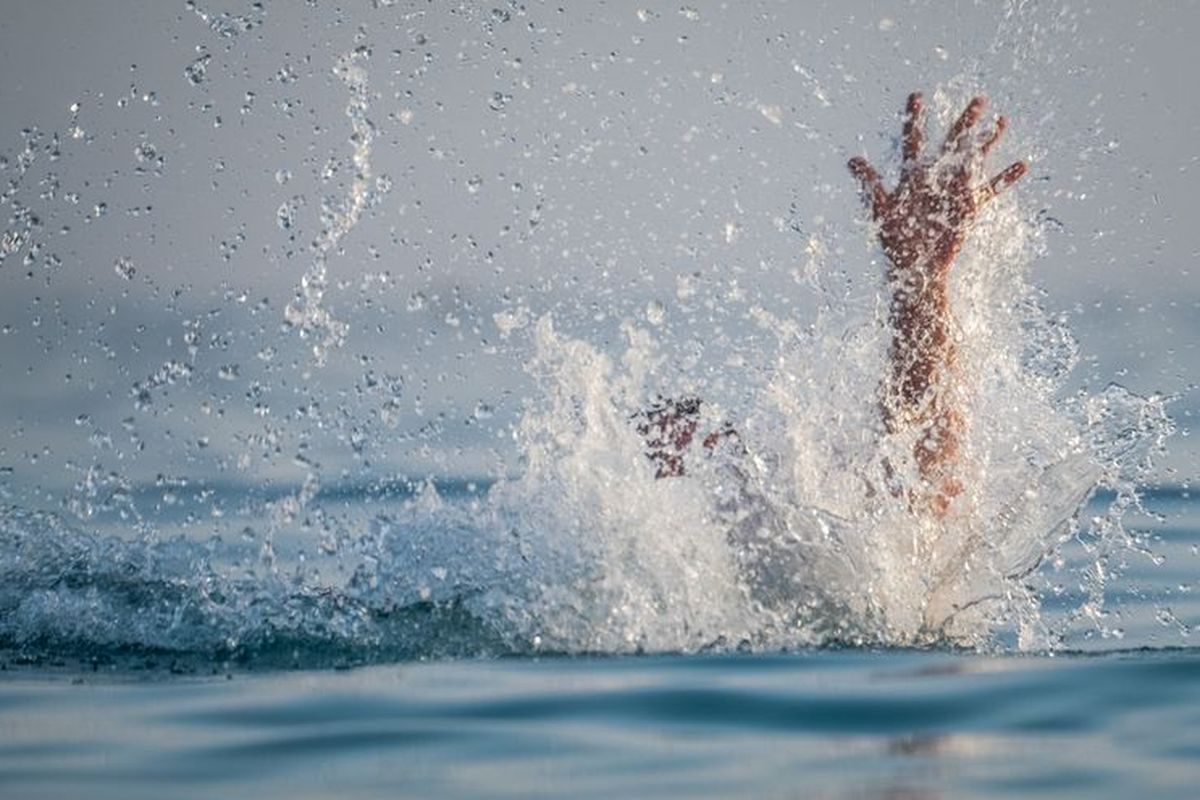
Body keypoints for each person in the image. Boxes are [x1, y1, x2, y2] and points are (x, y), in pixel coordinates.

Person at [640, 92, 1027, 519]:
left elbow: (919, 491)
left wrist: (920, 282)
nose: (676, 466)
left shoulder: (786, 507)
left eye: (700, 447)